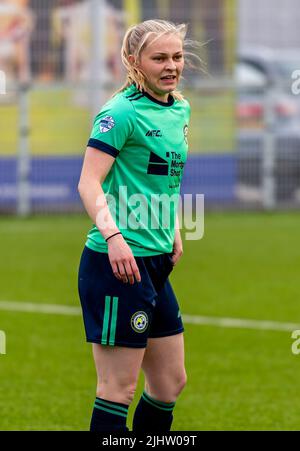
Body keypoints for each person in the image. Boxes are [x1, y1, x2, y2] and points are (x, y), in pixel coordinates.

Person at [78, 19, 195, 432]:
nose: (171, 66)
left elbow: (164, 178)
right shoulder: (119, 112)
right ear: (133, 61)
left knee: (169, 383)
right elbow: (88, 182)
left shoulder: (180, 108)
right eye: (159, 58)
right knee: (118, 388)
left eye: (177, 56)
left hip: (156, 262)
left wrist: (173, 228)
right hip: (116, 266)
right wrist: (114, 237)